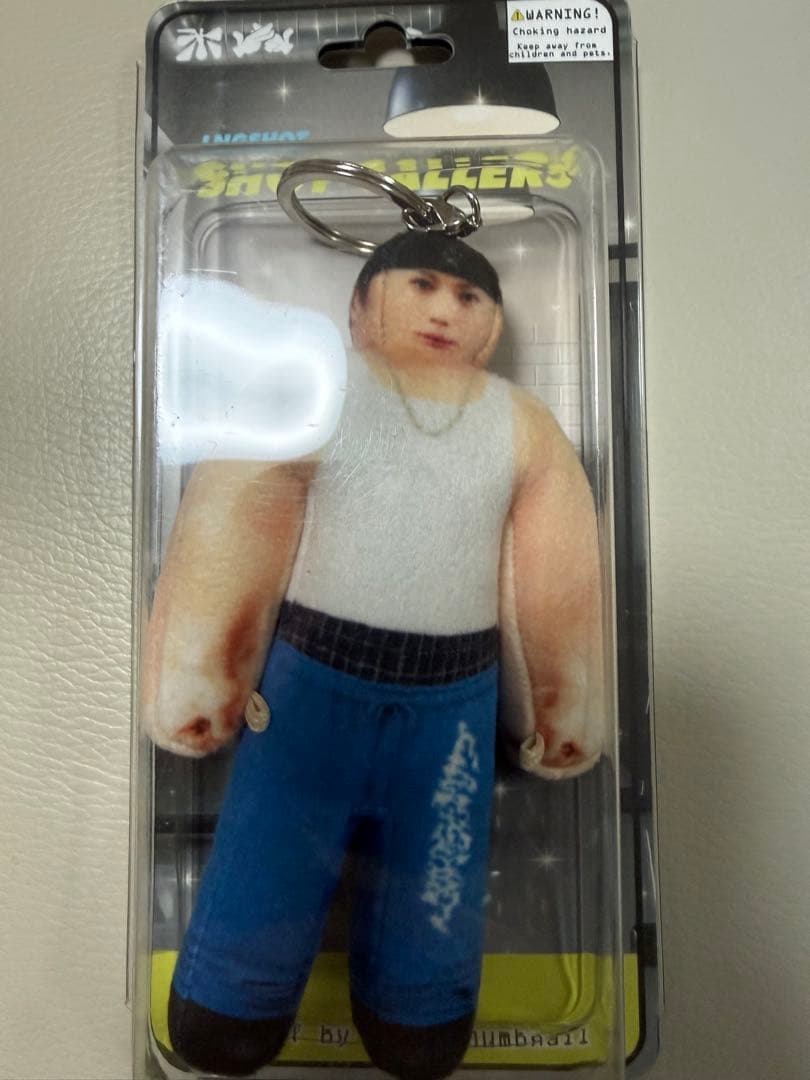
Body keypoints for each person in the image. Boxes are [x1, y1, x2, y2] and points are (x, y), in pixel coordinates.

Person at [143, 232, 605, 1079]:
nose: (444, 309)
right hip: (310, 686)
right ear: (359, 306)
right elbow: (236, 518)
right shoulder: (316, 390)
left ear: (493, 324)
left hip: (453, 708)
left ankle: (421, 1007)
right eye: (420, 284)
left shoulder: (523, 425)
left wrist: (560, 702)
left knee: (440, 867)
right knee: (274, 842)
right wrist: (200, 674)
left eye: (467, 296)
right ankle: (230, 995)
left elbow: (556, 574)